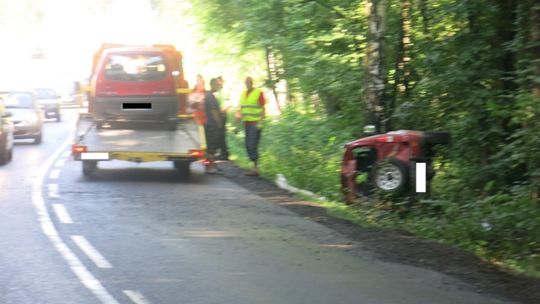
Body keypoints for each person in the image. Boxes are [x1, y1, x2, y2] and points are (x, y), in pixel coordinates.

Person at [236, 76, 265, 176]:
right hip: (246, 123)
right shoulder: (243, 94)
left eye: (249, 82)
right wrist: (238, 115)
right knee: (248, 145)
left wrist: (260, 123)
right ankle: (254, 168)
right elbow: (241, 108)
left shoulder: (258, 92)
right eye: (246, 82)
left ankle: (256, 168)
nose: (247, 84)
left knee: (251, 145)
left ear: (252, 82)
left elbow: (262, 108)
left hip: (255, 123)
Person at [203, 78, 224, 174]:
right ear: (212, 85)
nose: (218, 86)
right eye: (216, 84)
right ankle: (210, 167)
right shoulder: (210, 96)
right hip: (212, 125)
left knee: (212, 145)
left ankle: (212, 165)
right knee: (212, 145)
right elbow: (214, 111)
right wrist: (219, 124)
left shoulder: (209, 95)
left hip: (209, 123)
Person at [215, 76, 229, 160]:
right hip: (217, 115)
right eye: (217, 81)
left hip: (222, 115)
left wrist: (223, 111)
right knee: (219, 134)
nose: (218, 83)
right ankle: (222, 152)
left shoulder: (225, 91)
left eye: (219, 81)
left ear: (222, 82)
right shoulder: (217, 91)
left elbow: (227, 102)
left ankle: (225, 154)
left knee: (222, 134)